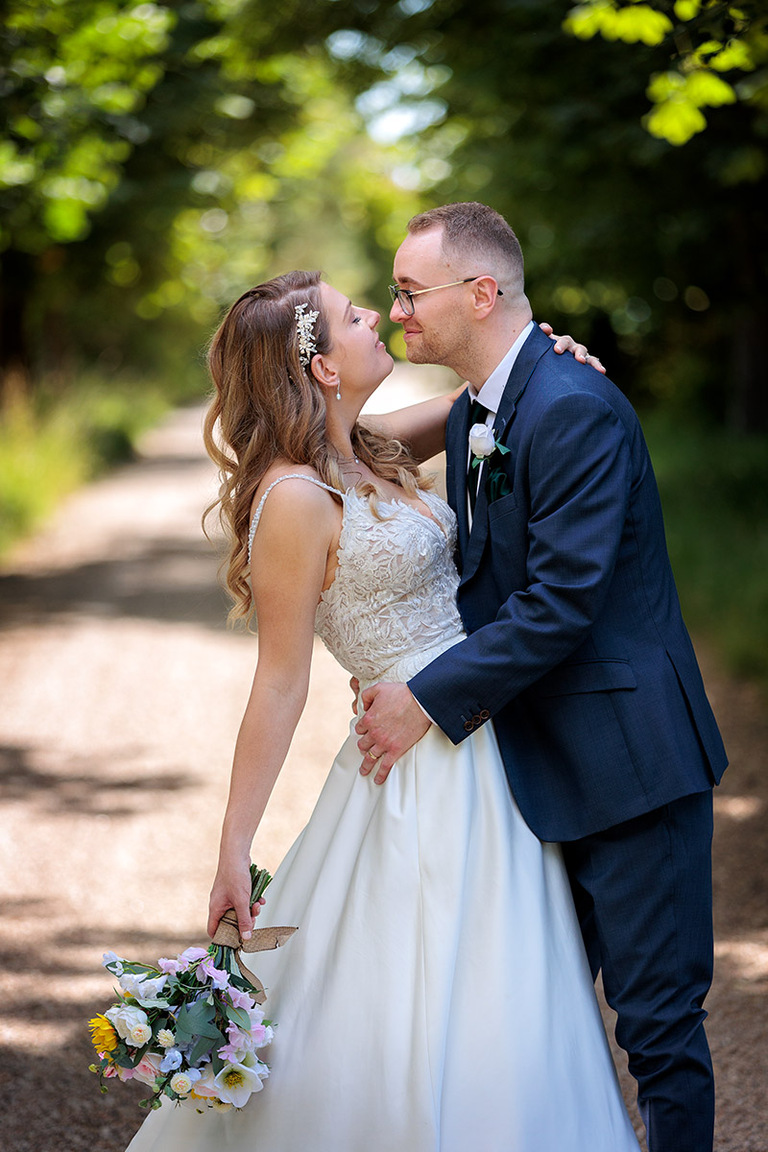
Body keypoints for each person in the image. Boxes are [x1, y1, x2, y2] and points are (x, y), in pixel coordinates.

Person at [125, 270, 640, 1151]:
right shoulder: (295, 498)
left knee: (503, 978)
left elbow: (492, 397)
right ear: (322, 367)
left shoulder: (370, 448)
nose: (377, 319)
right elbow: (280, 681)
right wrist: (233, 847)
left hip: (482, 734)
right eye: (354, 316)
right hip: (415, 762)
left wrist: (562, 358)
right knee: (428, 984)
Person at [354, 202, 728, 1152]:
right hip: (533, 768)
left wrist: (425, 702)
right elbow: (340, 451)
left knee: (658, 1030)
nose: (397, 311)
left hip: (631, 764)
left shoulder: (571, 408)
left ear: (480, 293)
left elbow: (560, 605)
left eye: (409, 292)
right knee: (530, 1017)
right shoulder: (486, 404)